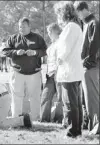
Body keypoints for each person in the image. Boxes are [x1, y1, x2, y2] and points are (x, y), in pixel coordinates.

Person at [3, 17, 47, 121]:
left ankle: (36, 118)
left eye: (24, 26)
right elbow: (5, 51)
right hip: (17, 72)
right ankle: (16, 118)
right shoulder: (13, 38)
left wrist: (35, 53)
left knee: (35, 96)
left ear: (29, 26)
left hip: (34, 72)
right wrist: (15, 52)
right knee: (17, 96)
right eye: (20, 27)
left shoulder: (37, 38)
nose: (21, 28)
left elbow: (44, 50)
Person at [54, 1, 84, 138]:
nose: (58, 17)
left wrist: (59, 59)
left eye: (58, 14)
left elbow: (65, 49)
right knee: (75, 103)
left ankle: (73, 131)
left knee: (70, 104)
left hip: (69, 71)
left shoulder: (71, 27)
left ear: (64, 13)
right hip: (73, 70)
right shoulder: (75, 26)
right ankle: (77, 130)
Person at [74, 1, 99, 135]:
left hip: (91, 67)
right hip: (86, 67)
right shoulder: (86, 24)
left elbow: (95, 45)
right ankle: (89, 125)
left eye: (77, 13)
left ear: (82, 10)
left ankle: (96, 128)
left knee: (92, 99)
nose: (78, 16)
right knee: (85, 99)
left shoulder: (94, 23)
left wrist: (88, 62)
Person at [40, 23, 63, 123]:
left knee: (60, 98)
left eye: (50, 31)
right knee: (45, 97)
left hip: (58, 74)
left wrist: (58, 73)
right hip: (50, 75)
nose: (49, 34)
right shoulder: (52, 45)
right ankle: (44, 119)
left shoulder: (61, 43)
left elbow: (60, 60)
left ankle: (59, 119)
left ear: (56, 31)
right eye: (48, 32)